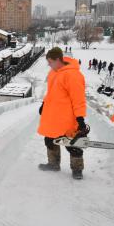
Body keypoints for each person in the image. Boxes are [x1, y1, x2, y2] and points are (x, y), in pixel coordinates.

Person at [38, 47, 88, 180]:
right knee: (49, 140)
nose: (48, 65)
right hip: (52, 116)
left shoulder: (73, 75)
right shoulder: (54, 72)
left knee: (72, 144)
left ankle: (77, 170)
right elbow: (51, 91)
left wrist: (80, 119)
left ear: (58, 60)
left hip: (67, 118)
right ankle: (53, 164)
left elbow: (79, 100)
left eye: (50, 62)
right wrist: (44, 104)